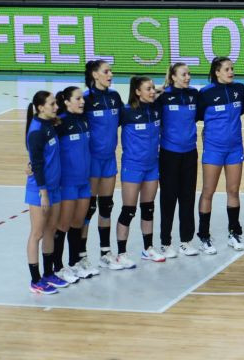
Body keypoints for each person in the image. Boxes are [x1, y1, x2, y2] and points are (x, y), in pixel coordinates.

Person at [197, 57, 244, 254]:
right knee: (208, 191)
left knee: (233, 190)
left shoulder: (239, 90)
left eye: (232, 69)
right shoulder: (206, 93)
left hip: (235, 148)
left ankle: (234, 233)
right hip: (213, 149)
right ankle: (204, 236)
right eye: (227, 69)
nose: (231, 72)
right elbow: (197, 116)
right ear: (217, 72)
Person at [115, 76, 164, 268]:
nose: (152, 91)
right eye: (148, 89)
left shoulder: (156, 109)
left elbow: (163, 91)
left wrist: (160, 89)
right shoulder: (126, 112)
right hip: (132, 166)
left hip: (152, 166)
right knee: (128, 210)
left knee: (148, 208)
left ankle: (148, 248)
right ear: (137, 91)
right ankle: (121, 253)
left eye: (153, 88)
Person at [156, 62, 201, 257]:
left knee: (187, 197)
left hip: (190, 153)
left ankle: (186, 241)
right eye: (183, 74)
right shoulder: (163, 97)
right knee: (168, 198)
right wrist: (157, 90)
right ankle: (165, 242)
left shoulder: (194, 95)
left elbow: (199, 116)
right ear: (173, 77)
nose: (187, 77)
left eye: (189, 74)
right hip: (169, 154)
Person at [25, 91, 67, 294]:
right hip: (40, 190)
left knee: (51, 230)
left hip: (55, 187)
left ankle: (49, 274)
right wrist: (43, 192)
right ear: (41, 107)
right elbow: (38, 165)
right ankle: (35, 280)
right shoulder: (36, 131)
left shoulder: (50, 124)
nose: (56, 106)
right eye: (52, 104)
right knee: (37, 233)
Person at [83, 59, 123, 270]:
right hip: (91, 162)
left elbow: (130, 114)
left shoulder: (114, 97)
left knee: (106, 207)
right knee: (88, 210)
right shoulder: (86, 99)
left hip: (109, 160)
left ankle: (105, 253)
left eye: (111, 72)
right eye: (106, 72)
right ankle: (80, 256)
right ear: (95, 75)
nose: (110, 75)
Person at [54, 86, 95, 282]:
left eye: (82, 99)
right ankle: (58, 266)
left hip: (84, 181)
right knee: (63, 225)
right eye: (78, 99)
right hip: (68, 182)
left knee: (78, 224)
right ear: (67, 101)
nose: (82, 102)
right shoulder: (60, 122)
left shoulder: (84, 119)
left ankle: (74, 263)